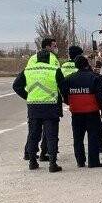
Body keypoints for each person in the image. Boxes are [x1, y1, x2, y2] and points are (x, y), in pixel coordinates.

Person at [12, 38, 66, 172]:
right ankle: (52, 164)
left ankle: (32, 162)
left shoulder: (28, 70)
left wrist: (28, 96)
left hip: (34, 106)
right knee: (51, 135)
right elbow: (64, 87)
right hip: (51, 106)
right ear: (50, 58)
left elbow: (16, 86)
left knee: (33, 134)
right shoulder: (54, 69)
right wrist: (64, 99)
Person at [63, 55, 102, 168]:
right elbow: (100, 95)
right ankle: (93, 162)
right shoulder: (96, 77)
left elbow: (64, 94)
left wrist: (70, 103)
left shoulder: (69, 78)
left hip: (76, 112)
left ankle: (80, 161)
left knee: (78, 137)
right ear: (87, 64)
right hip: (92, 112)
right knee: (93, 136)